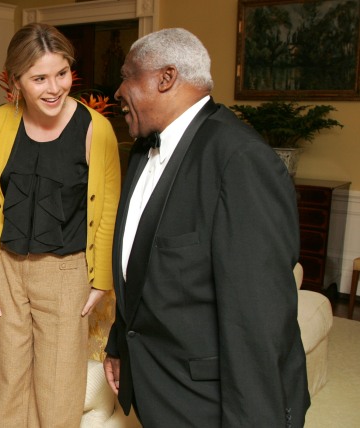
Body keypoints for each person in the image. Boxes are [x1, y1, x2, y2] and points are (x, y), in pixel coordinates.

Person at [103, 28, 309, 427]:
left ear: (165, 78)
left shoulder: (241, 160)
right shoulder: (143, 148)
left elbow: (258, 317)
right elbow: (142, 264)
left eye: (127, 75)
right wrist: (119, 343)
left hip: (208, 402)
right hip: (156, 386)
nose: (118, 90)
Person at [0, 23, 121, 426]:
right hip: (5, 269)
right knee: (4, 383)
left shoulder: (96, 130)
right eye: (39, 78)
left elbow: (107, 211)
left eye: (62, 73)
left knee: (57, 387)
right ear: (15, 79)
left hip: (66, 272)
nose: (54, 88)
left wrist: (100, 281)